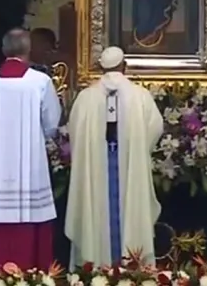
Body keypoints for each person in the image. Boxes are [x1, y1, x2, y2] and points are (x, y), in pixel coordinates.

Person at [65, 46, 163, 267]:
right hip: (130, 167)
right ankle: (133, 271)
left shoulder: (86, 97)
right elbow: (155, 128)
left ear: (101, 67)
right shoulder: (140, 95)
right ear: (124, 66)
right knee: (133, 211)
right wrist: (137, 150)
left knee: (94, 215)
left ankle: (95, 268)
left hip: (96, 170)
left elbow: (75, 133)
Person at [0, 28, 62, 269]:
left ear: (3, 50)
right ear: (28, 49)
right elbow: (52, 124)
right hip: (29, 173)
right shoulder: (41, 82)